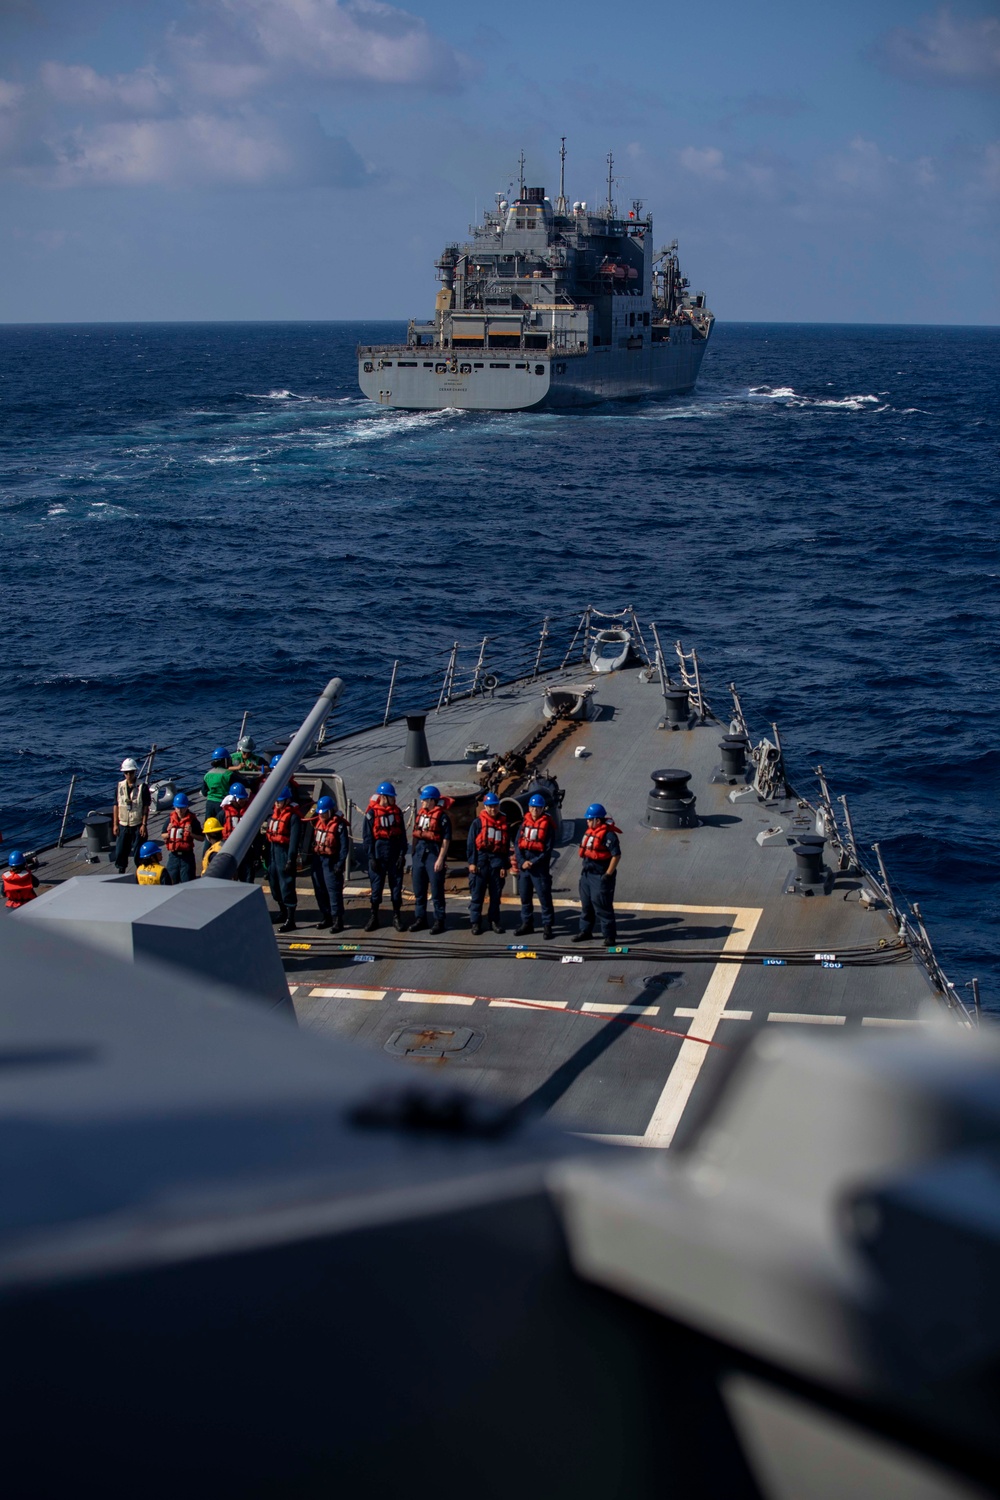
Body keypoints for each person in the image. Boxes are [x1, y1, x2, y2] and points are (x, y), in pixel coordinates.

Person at [362, 781, 408, 933]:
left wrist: (402, 855)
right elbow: (367, 838)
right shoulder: (371, 814)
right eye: (391, 797)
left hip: (394, 853)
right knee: (376, 888)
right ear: (383, 797)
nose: (394, 799)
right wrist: (371, 857)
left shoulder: (397, 813)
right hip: (378, 854)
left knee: (396, 887)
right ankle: (374, 916)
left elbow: (402, 836)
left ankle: (396, 916)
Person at [575, 802, 621, 946]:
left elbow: (616, 855)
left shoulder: (609, 836)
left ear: (598, 820)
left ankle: (609, 936)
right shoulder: (590, 833)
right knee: (586, 905)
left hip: (600, 875)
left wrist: (608, 874)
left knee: (602, 906)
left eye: (590, 819)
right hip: (587, 874)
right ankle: (585, 930)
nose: (587, 822)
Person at [512, 792, 557, 939]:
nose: (534, 810)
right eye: (532, 807)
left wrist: (533, 862)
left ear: (543, 809)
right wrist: (522, 861)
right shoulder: (524, 824)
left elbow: (547, 849)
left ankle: (547, 925)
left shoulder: (548, 826)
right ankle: (527, 923)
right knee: (525, 897)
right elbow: (518, 844)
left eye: (538, 808)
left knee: (544, 897)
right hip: (525, 867)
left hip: (539, 869)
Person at [410, 784, 451, 935]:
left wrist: (440, 859)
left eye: (424, 800)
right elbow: (415, 835)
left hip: (433, 855)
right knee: (419, 889)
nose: (422, 802)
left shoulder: (443, 818)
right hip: (419, 855)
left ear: (432, 801)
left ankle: (439, 920)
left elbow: (446, 840)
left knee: (436, 890)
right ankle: (420, 918)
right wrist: (414, 854)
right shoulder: (421, 815)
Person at [467, 791, 509, 935]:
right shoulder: (477, 823)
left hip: (496, 862)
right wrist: (472, 862)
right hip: (481, 861)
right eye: (490, 806)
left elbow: (505, 846)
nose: (493, 809)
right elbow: (471, 844)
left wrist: (504, 865)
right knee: (477, 895)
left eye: (495, 806)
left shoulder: (503, 823)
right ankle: (475, 922)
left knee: (495, 895)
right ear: (485, 807)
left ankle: (494, 921)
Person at [310, 794, 350, 931]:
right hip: (318, 860)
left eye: (324, 813)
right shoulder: (317, 822)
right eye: (320, 813)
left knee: (333, 891)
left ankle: (337, 920)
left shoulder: (339, 825)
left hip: (331, 862)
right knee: (319, 889)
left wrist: (340, 864)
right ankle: (326, 916)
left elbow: (344, 847)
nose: (321, 816)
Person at [265, 786, 301, 932]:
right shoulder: (273, 815)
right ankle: (282, 911)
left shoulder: (293, 817)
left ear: (287, 801)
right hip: (273, 851)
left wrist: (290, 859)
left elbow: (294, 841)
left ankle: (291, 919)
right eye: (276, 801)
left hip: (284, 852)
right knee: (274, 884)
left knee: (287, 885)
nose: (277, 803)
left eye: (280, 801)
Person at [112, 757, 150, 873]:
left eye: (131, 772)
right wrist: (115, 824)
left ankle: (141, 875)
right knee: (120, 852)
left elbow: (146, 807)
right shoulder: (119, 786)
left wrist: (143, 824)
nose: (129, 775)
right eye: (126, 772)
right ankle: (121, 873)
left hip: (137, 825)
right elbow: (116, 805)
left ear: (135, 772)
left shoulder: (142, 787)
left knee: (139, 854)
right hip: (123, 825)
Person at [162, 792, 203, 884]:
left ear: (187, 807)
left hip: (187, 856)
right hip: (174, 856)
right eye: (178, 808)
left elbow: (201, 838)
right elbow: (163, 835)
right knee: (171, 881)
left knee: (188, 881)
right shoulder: (170, 820)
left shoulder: (193, 821)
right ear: (174, 807)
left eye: (182, 808)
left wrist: (191, 833)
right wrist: (169, 832)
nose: (180, 810)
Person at [221, 782, 258, 882]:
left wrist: (257, 854)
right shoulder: (223, 814)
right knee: (229, 880)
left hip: (246, 850)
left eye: (243, 798)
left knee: (248, 878)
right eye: (239, 799)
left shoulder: (250, 812)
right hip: (229, 851)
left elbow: (257, 834)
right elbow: (215, 833)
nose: (242, 801)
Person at [202, 747, 233, 825]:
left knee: (209, 826)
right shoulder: (228, 774)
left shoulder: (207, 775)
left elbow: (204, 792)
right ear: (224, 761)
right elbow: (246, 783)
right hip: (222, 804)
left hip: (210, 804)